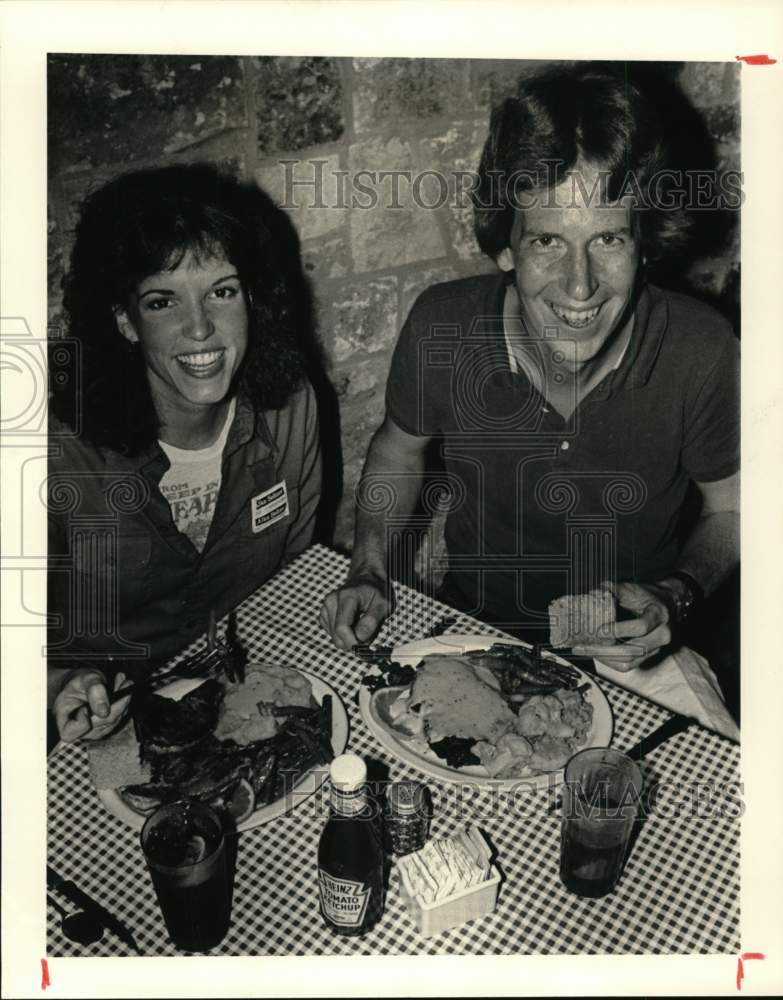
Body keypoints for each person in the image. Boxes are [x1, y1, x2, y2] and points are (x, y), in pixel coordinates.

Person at [320, 64, 739, 705]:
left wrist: (675, 594)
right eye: (547, 240)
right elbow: (398, 450)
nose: (580, 286)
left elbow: (734, 507)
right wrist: (371, 567)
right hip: (477, 633)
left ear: (646, 244)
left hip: (640, 655)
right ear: (506, 247)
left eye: (607, 239)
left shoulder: (703, 349)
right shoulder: (444, 324)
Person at [48, 163, 322, 741]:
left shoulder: (290, 408)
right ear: (124, 320)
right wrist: (54, 681)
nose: (201, 329)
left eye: (221, 291)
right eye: (162, 302)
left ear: (253, 299)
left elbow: (294, 578)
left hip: (240, 700)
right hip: (95, 725)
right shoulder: (53, 452)